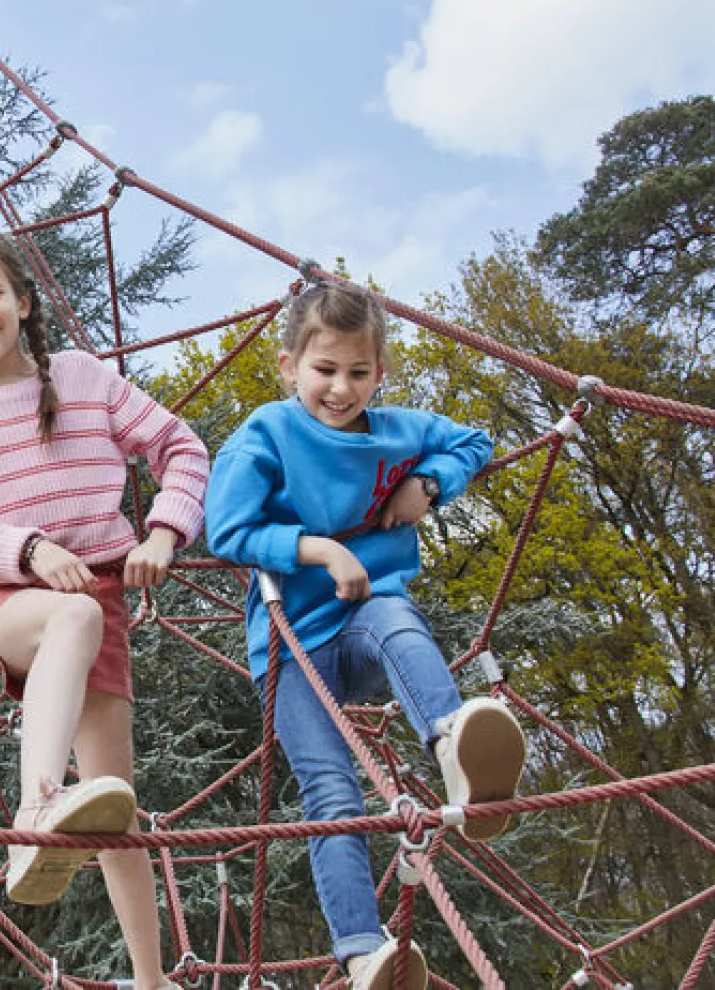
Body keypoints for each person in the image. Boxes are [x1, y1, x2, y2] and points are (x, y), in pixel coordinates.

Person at [204, 279, 527, 989]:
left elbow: (473, 439)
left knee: (395, 617)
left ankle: (452, 745)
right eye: (324, 370)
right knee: (332, 791)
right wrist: (320, 549)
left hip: (363, 621)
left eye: (358, 372)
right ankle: (362, 948)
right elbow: (227, 528)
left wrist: (431, 484)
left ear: (380, 373)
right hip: (291, 650)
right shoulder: (266, 433)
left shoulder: (397, 429)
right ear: (289, 365)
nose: (341, 388)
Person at [0, 229, 208, 990]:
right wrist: (29, 549)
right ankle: (35, 807)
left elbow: (181, 446)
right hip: (8, 595)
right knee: (71, 619)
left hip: (98, 590)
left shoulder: (80, 376)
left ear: (24, 302)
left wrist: (166, 531)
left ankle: (151, 979)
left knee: (117, 809)